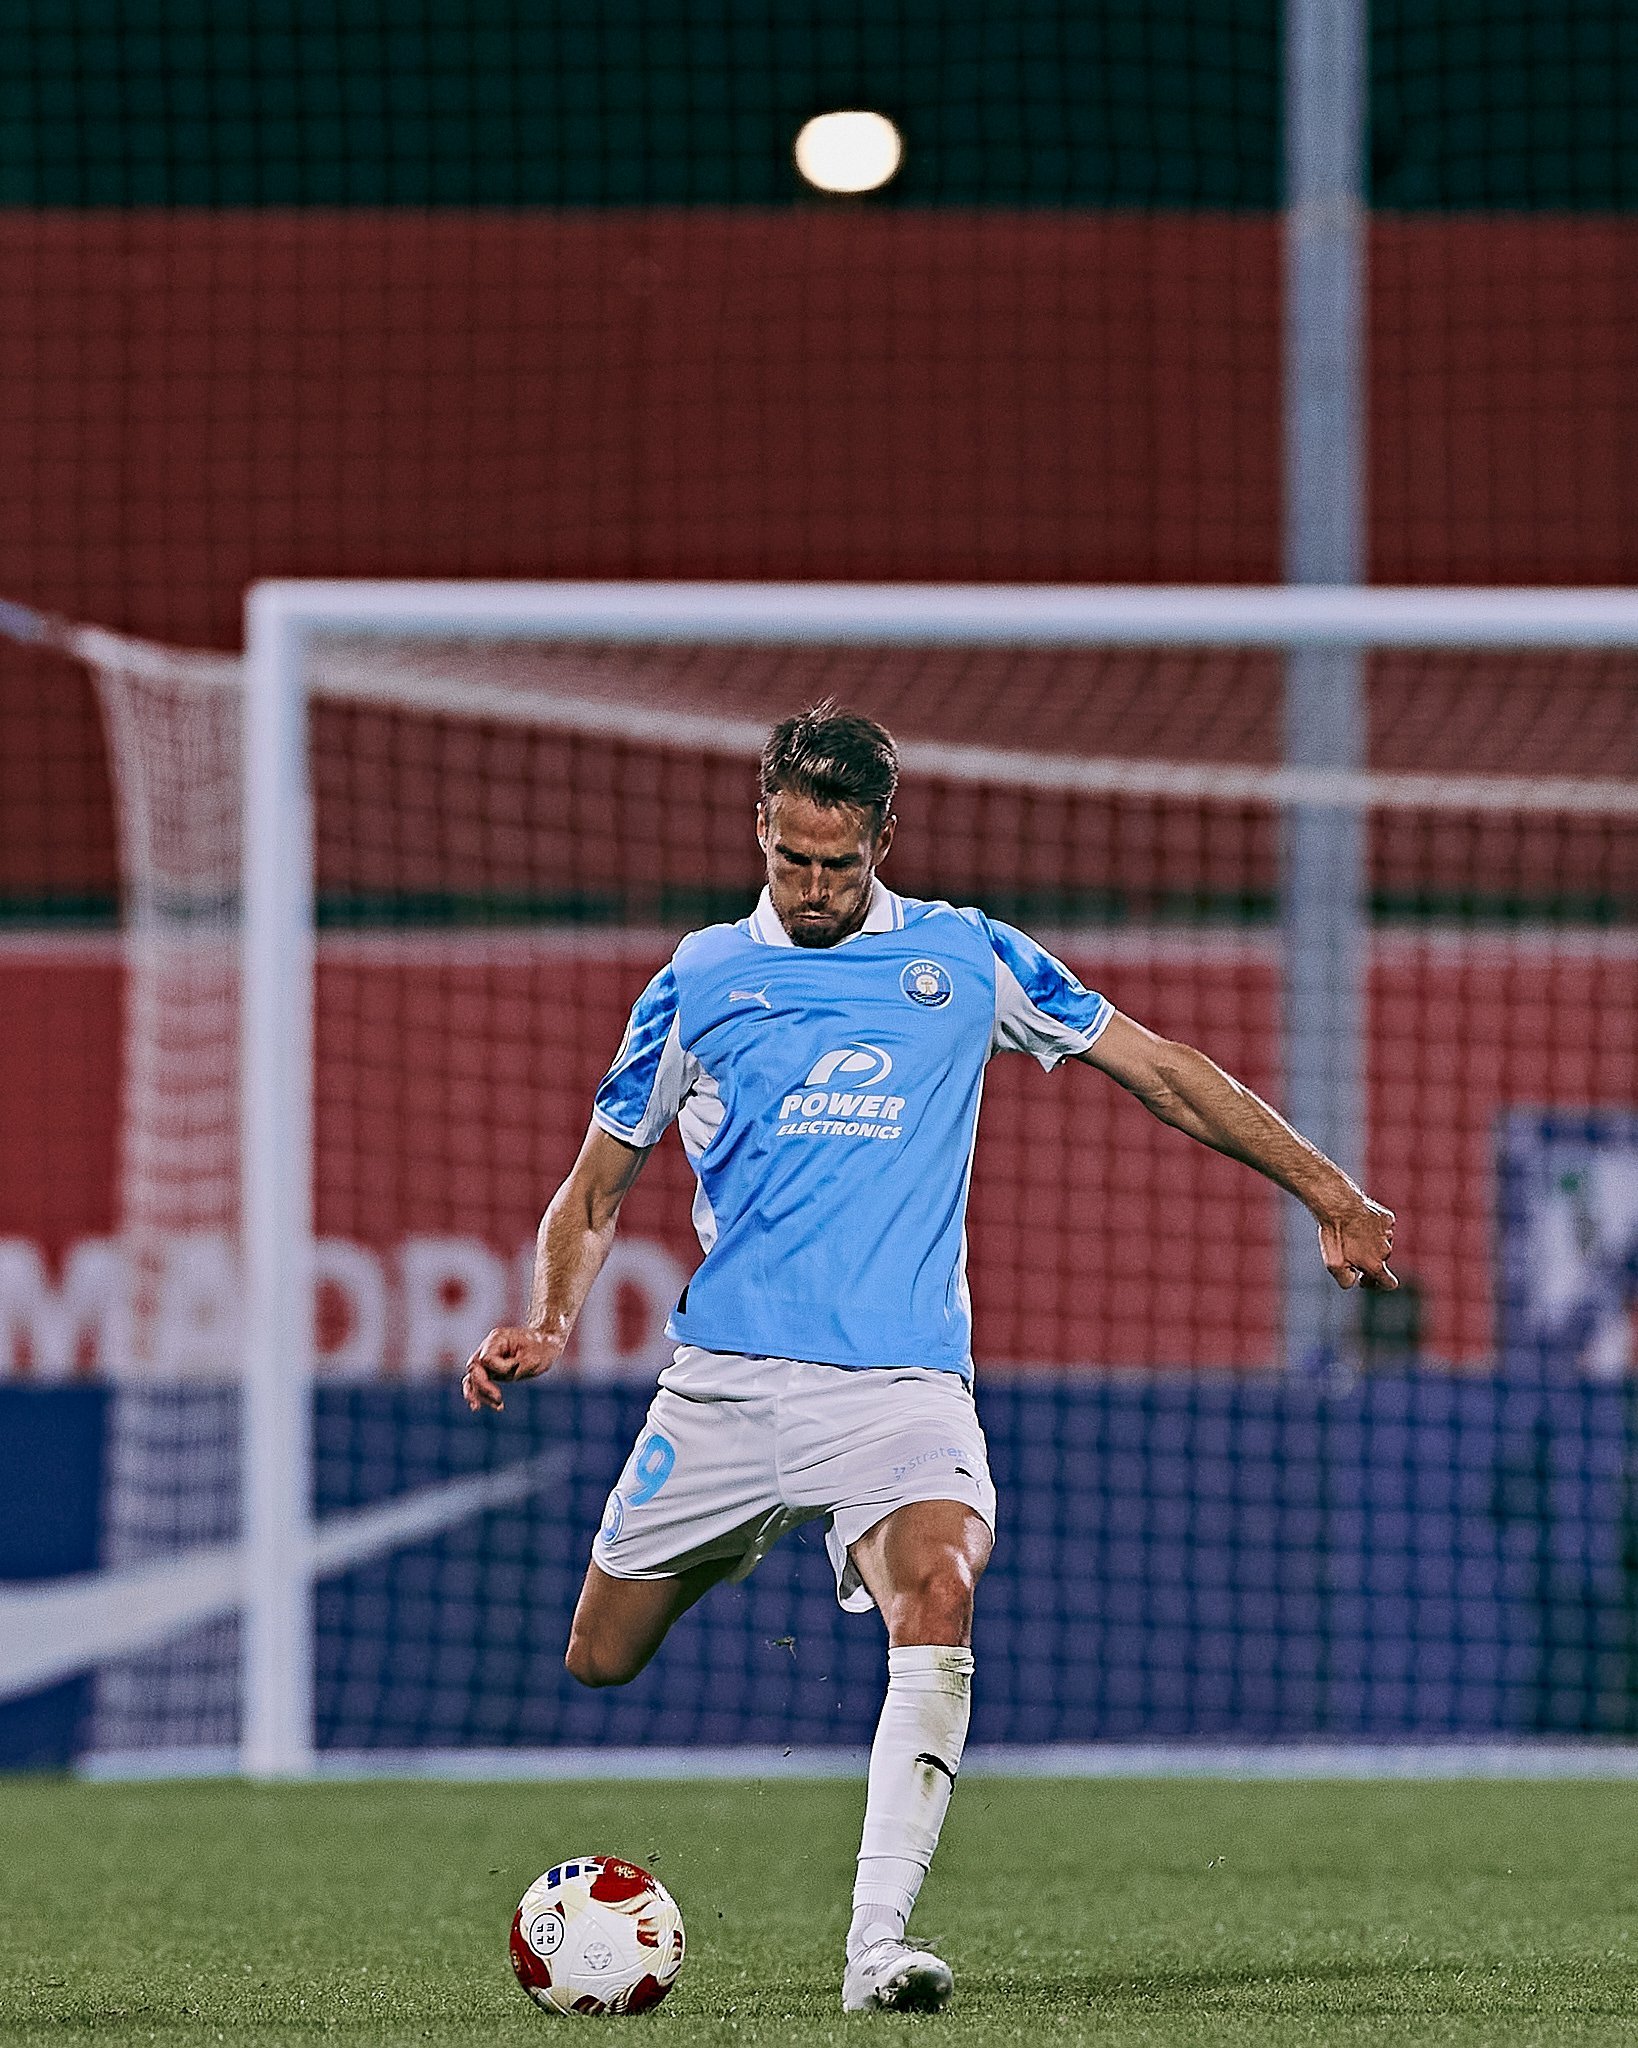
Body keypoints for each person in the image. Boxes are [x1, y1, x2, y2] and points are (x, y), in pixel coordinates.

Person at [463, 703, 1396, 2014]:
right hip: (726, 1386)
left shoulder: (966, 956)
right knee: (598, 1657)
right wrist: (551, 1320)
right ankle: (752, 1528)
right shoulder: (699, 980)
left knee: (942, 1588)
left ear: (884, 842)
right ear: (760, 829)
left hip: (899, 1390)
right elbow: (594, 1189)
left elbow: (1162, 1070)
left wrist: (1327, 1189)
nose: (813, 887)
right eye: (791, 859)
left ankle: (876, 1946)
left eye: (838, 864)